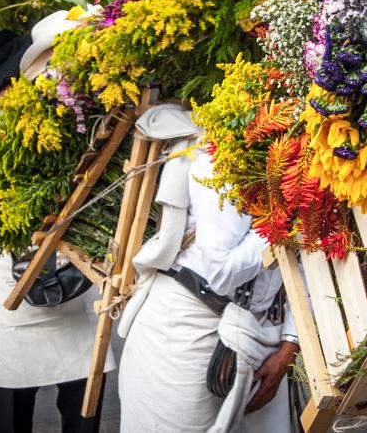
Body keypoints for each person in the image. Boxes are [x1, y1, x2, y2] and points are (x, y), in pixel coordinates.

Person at [0, 15, 115, 433]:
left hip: (81, 274)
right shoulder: (2, 114)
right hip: (15, 271)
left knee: (82, 393)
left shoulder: (106, 111)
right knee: (15, 392)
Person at [118, 105, 298, 433]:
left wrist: (289, 347)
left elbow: (313, 264)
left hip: (261, 335)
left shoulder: (321, 168)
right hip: (182, 333)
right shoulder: (222, 162)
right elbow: (222, 271)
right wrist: (285, 219)